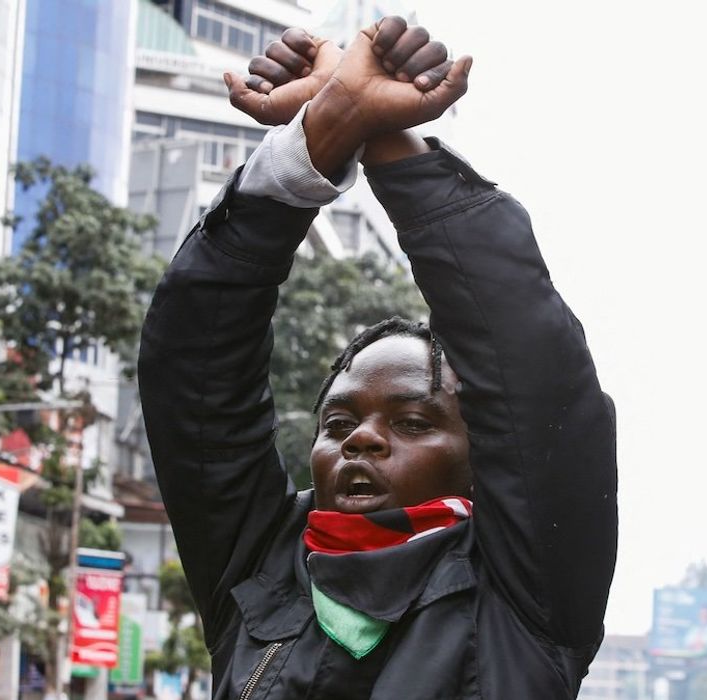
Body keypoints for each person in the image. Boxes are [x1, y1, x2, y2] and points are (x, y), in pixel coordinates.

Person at [138, 17, 618, 699]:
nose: (361, 438)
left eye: (413, 423)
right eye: (336, 423)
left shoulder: (529, 592)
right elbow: (193, 374)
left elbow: (533, 370)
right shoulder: (260, 570)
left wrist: (389, 140)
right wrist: (319, 136)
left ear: (483, 460)